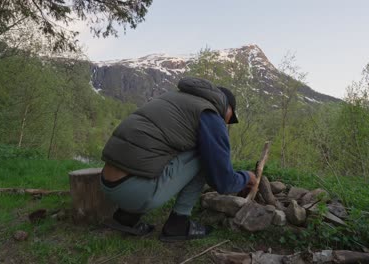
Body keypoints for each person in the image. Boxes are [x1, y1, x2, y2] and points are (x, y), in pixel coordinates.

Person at [100, 77, 257, 241]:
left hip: (107, 184)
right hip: (135, 192)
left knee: (159, 150)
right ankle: (178, 224)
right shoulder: (209, 114)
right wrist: (247, 177)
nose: (227, 122)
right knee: (205, 154)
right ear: (227, 106)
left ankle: (125, 217)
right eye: (230, 118)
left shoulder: (174, 99)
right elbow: (223, 182)